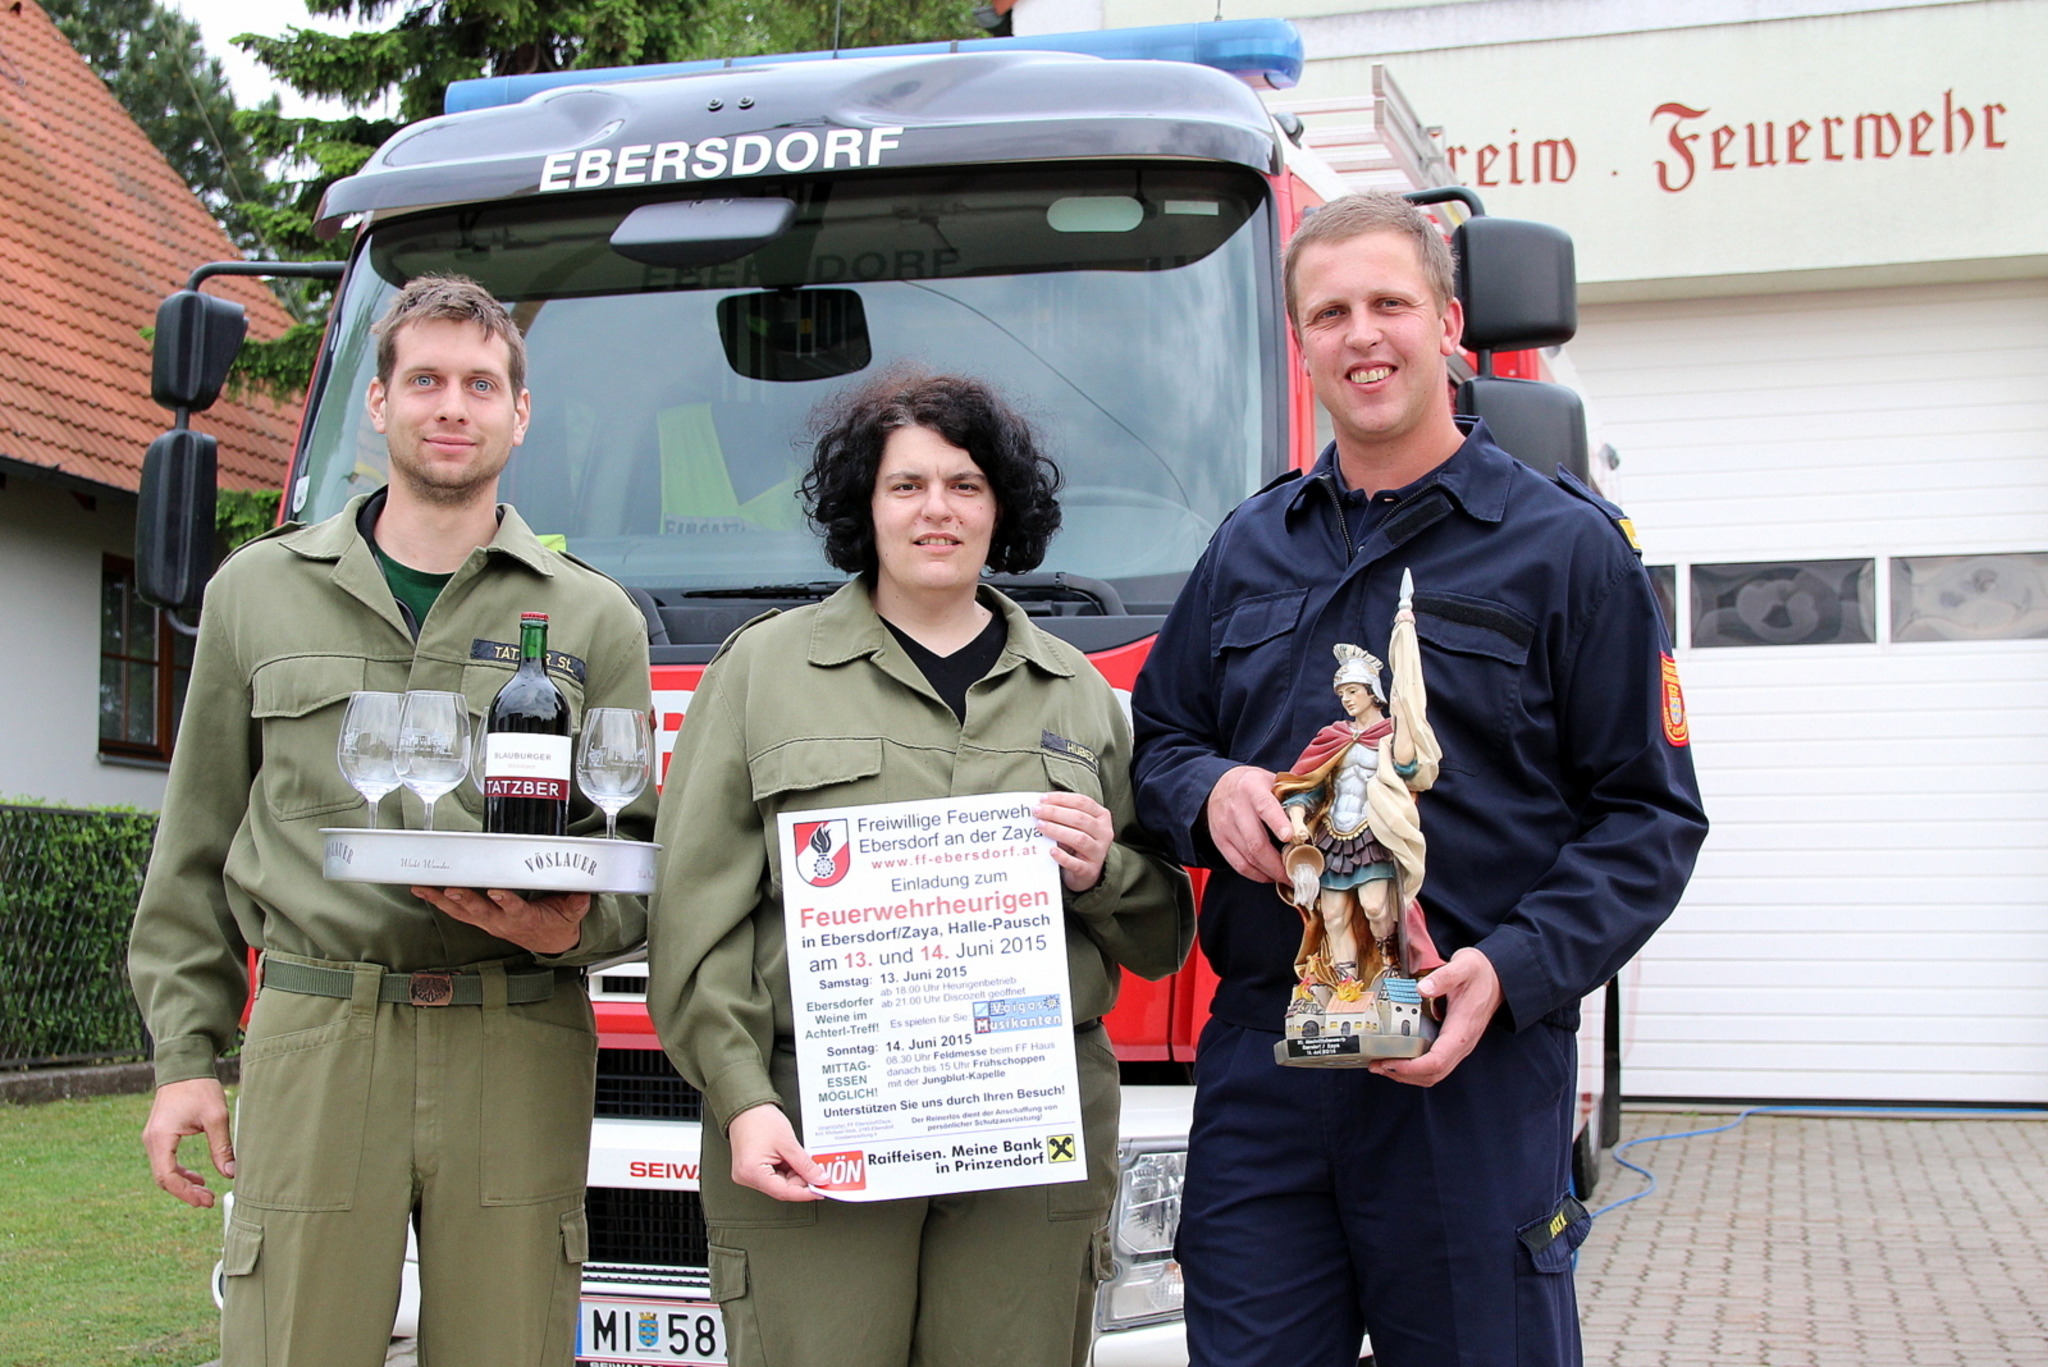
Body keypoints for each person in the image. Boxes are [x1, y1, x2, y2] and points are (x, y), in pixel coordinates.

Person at [1130, 192, 1708, 1367]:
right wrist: (1212, 792)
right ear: (1300, 344)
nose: (1362, 335)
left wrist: (1512, 967)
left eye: (1389, 302)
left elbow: (1646, 817)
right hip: (1267, 1063)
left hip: (1468, 1063)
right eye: (1329, 311)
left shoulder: (1565, 552)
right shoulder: (1246, 547)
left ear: (1447, 322)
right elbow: (1159, 742)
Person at [128, 274, 658, 1366]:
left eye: (478, 382)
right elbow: (192, 847)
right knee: (293, 1344)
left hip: (514, 1034)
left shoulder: (594, 617)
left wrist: (573, 930)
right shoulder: (256, 593)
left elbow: (636, 848)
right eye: (423, 379)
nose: (449, 405)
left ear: (520, 412)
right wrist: (185, 1054)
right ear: (378, 405)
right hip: (322, 1031)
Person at [645, 370, 1193, 1367]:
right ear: (864, 504)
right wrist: (741, 1096)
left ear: (1003, 510)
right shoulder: (760, 672)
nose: (935, 508)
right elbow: (695, 918)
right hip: (817, 1119)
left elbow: (1158, 936)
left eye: (965, 484)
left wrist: (1097, 870)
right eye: (905, 485)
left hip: (1028, 1136)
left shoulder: (1075, 693)